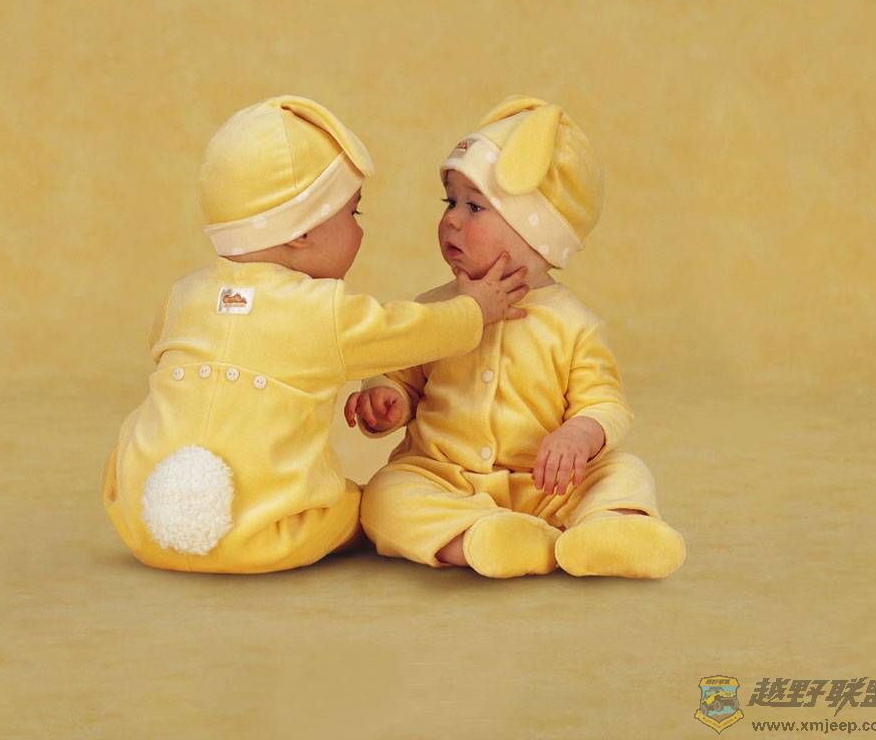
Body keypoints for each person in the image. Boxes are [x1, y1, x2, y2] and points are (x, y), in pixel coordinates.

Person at [103, 95, 529, 573]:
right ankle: (460, 534)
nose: (360, 232)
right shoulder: (321, 312)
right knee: (364, 506)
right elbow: (411, 332)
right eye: (354, 214)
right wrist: (476, 308)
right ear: (300, 233)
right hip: (268, 534)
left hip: (141, 521)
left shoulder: (183, 295)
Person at [346, 96, 686, 579]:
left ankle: (611, 530)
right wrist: (386, 398)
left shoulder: (573, 324)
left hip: (546, 484)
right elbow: (400, 371)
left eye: (474, 206)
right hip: (443, 477)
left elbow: (605, 404)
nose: (452, 219)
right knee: (384, 497)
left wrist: (578, 435)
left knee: (624, 470)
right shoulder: (434, 309)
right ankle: (482, 538)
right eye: (449, 202)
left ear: (536, 234)